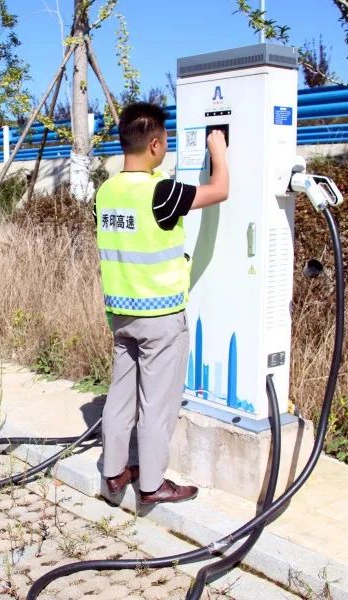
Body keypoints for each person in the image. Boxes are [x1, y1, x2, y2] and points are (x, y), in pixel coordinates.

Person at [96, 102, 230, 505]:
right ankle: (152, 484)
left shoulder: (106, 191)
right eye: (166, 141)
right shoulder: (161, 191)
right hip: (160, 318)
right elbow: (221, 190)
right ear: (154, 144)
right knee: (158, 404)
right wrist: (219, 150)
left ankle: (114, 474)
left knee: (120, 398)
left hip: (121, 316)